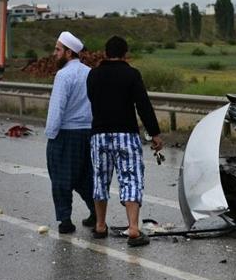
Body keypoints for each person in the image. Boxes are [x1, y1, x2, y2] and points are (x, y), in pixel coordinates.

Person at [86, 36, 163, 247]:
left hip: (99, 136)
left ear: (105, 53)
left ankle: (100, 225)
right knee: (130, 179)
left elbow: (92, 100)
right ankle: (134, 229)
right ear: (125, 54)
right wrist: (154, 134)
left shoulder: (93, 75)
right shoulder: (131, 74)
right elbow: (143, 106)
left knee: (100, 179)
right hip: (126, 135)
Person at [45, 31, 95, 234]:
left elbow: (57, 108)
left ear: (68, 52)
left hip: (66, 133)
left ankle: (65, 220)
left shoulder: (63, 75)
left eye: (58, 49)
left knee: (61, 177)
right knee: (86, 177)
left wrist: (51, 134)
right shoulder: (90, 72)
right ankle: (96, 213)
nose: (55, 53)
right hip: (89, 133)